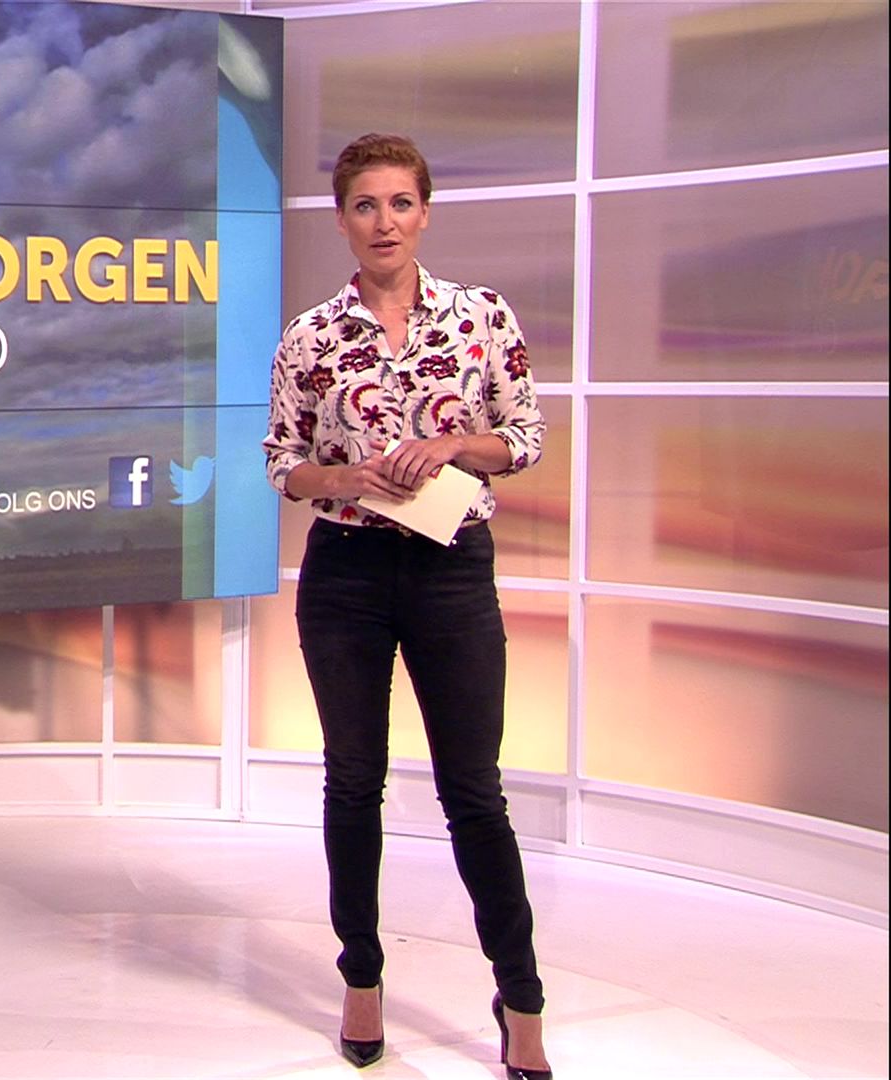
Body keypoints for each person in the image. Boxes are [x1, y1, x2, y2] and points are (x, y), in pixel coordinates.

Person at [263, 132, 552, 1079]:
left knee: (474, 791)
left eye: (399, 203)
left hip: (451, 571)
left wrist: (457, 445)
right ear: (342, 219)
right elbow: (282, 461)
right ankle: (361, 979)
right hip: (345, 575)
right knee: (354, 783)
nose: (383, 222)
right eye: (364, 205)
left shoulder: (481, 317)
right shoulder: (311, 335)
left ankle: (521, 998)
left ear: (424, 212)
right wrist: (346, 475)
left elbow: (525, 436)